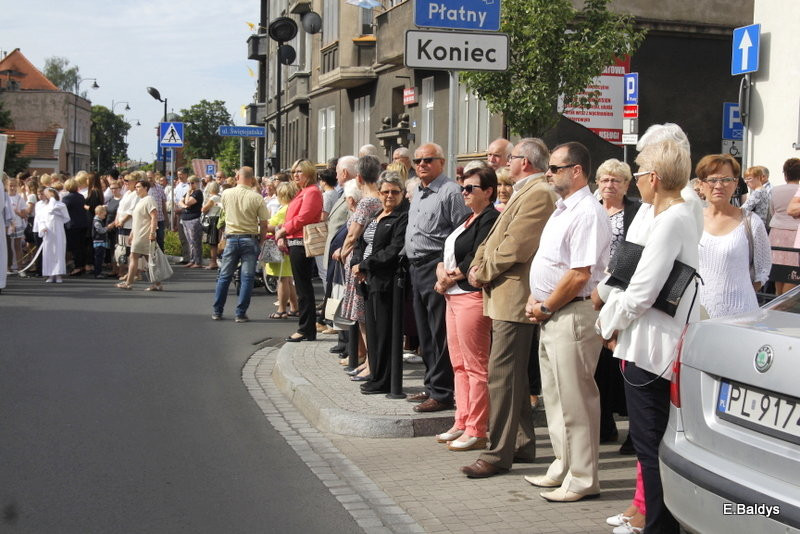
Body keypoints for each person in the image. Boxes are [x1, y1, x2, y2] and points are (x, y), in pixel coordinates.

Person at [595, 137, 701, 534]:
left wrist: (606, 323)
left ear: (654, 178)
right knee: (650, 441)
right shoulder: (675, 213)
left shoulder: (673, 217)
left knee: (649, 443)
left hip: (651, 346)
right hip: (649, 340)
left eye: (638, 173)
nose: (635, 180)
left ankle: (658, 525)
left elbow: (642, 290)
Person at [460, 138, 555, 478]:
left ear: (525, 162)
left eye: (511, 157)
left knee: (502, 377)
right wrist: (478, 264)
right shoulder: (523, 190)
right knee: (510, 377)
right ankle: (521, 444)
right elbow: (493, 238)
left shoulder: (540, 193)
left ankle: (497, 453)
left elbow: (516, 245)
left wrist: (481, 271)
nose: (504, 162)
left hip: (515, 298)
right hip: (502, 294)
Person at [525, 141, 611, 502]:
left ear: (576, 171)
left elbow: (579, 274)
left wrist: (546, 306)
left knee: (576, 400)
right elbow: (553, 262)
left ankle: (583, 477)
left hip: (571, 311)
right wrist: (536, 297)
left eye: (555, 168)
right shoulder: (564, 209)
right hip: (553, 311)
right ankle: (563, 464)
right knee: (556, 397)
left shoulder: (587, 212)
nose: (548, 173)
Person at [433, 166, 499, 450]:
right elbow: (446, 251)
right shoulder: (467, 218)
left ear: (488, 191)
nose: (464, 193)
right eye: (463, 187)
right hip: (452, 296)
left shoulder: (491, 218)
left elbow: (477, 255)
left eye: (470, 188)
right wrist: (440, 273)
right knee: (458, 364)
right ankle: (462, 420)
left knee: (476, 366)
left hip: (470, 296)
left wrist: (450, 276)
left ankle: (477, 428)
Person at [405, 143, 471, 413]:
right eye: (417, 161)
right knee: (425, 334)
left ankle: (443, 392)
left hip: (436, 267)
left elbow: (463, 232)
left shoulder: (450, 192)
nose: (421, 164)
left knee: (439, 333)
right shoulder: (419, 192)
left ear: (441, 162)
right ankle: (432, 385)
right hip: (415, 268)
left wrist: (449, 270)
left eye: (428, 160)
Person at [593, 158, 641, 449]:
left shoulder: (635, 212)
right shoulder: (590, 209)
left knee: (624, 363)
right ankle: (604, 425)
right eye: (605, 179)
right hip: (592, 293)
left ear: (626, 185)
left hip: (623, 292)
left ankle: (635, 431)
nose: (610, 185)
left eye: (616, 180)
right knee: (596, 366)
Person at [355, 173, 410, 395]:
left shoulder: (401, 218)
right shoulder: (378, 214)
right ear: (379, 194)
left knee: (386, 333)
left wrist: (366, 265)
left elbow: (393, 250)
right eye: (385, 192)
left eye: (395, 192)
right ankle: (375, 375)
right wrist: (358, 263)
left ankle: (385, 380)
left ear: (402, 194)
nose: (389, 196)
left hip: (385, 282)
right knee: (374, 332)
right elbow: (361, 242)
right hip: (368, 280)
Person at [696, 154, 770, 318]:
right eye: (712, 180)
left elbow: (764, 267)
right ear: (701, 184)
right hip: (696, 315)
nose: (719, 185)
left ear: (736, 183)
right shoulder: (692, 220)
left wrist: (740, 293)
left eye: (726, 179)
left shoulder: (751, 221)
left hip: (740, 315)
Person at [212, 166, 270, 322]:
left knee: (224, 276)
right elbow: (264, 223)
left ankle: (217, 311)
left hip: (231, 238)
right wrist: (262, 240)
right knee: (247, 277)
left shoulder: (226, 193)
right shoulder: (256, 197)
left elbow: (224, 213)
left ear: (237, 177)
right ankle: (240, 313)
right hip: (249, 238)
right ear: (252, 179)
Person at [274, 160, 323, 340]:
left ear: (309, 173)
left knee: (303, 288)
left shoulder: (312, 192)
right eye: (294, 172)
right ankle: (306, 328)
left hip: (301, 242)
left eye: (299, 172)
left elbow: (305, 217)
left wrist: (284, 229)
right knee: (301, 286)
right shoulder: (303, 191)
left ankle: (305, 329)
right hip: (295, 241)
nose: (295, 175)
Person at [117, 179, 161, 291]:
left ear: (145, 188)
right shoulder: (140, 200)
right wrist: (132, 233)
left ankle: (129, 283)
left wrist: (152, 232)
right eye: (136, 187)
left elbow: (154, 216)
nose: (136, 189)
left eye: (138, 187)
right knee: (149, 259)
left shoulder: (149, 200)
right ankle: (157, 283)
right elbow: (137, 220)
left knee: (134, 257)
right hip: (138, 234)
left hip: (144, 234)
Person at [265, 181, 299, 319]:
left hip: (280, 246)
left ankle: (281, 309)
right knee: (288, 278)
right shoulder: (293, 207)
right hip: (289, 246)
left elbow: (272, 225)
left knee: (282, 279)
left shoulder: (284, 208)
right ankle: (295, 307)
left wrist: (262, 225)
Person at [771, 158, 800, 295]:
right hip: (795, 233)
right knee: (793, 270)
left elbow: (771, 211)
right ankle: (783, 304)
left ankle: (777, 298)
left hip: (777, 232)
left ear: (785, 174)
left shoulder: (775, 190)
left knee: (778, 269)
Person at [33, 187, 69, 283]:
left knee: (58, 252)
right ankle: (50, 274)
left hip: (58, 231)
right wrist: (42, 227)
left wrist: (53, 201)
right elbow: (41, 220)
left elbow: (66, 218)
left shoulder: (61, 205)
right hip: (48, 233)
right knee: (48, 252)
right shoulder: (43, 207)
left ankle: (58, 274)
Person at [62, 178, 89, 276]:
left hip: (72, 225)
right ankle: (81, 266)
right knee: (81, 246)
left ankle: (77, 267)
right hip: (82, 223)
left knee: (75, 247)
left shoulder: (66, 198)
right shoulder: (81, 196)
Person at [179, 176, 204, 268]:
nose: (190, 185)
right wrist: (184, 205)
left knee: (195, 241)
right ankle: (192, 259)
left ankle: (198, 261)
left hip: (194, 219)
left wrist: (186, 201)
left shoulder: (197, 193)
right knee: (189, 241)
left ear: (197, 183)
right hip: (185, 218)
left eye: (192, 183)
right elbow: (180, 202)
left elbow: (188, 202)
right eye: (189, 183)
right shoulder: (189, 193)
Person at [200, 180, 222, 270]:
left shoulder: (213, 198)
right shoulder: (220, 197)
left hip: (212, 219)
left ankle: (213, 262)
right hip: (217, 219)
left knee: (212, 242)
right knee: (215, 242)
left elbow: (204, 209)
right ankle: (214, 261)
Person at [91, 205, 111, 278]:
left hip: (100, 242)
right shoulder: (97, 222)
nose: (105, 216)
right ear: (99, 213)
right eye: (104, 215)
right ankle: (97, 273)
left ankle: (98, 271)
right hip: (99, 242)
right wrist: (107, 228)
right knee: (98, 258)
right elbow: (100, 231)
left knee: (99, 257)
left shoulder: (98, 221)